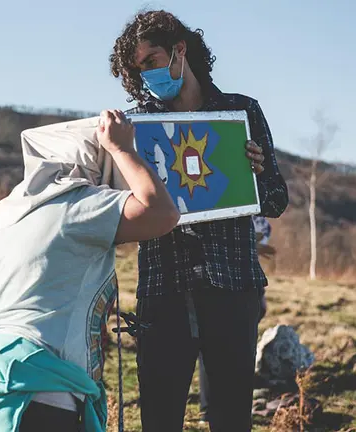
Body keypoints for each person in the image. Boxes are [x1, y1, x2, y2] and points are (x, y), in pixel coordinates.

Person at [0, 110, 179, 432]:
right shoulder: (77, 204)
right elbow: (161, 213)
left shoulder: (1, 213)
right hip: (37, 389)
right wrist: (123, 150)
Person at [109, 10, 289, 431]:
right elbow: (122, 208)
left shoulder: (240, 111)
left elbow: (277, 200)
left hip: (233, 286)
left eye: (152, 60)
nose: (149, 74)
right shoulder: (138, 125)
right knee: (159, 417)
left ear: (179, 49)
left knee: (229, 418)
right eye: (140, 70)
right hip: (163, 288)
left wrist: (257, 175)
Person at [198, 215, 274, 423]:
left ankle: (217, 409)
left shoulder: (261, 223)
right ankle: (209, 408)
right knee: (211, 351)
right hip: (220, 282)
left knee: (232, 354)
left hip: (245, 282)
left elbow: (251, 255)